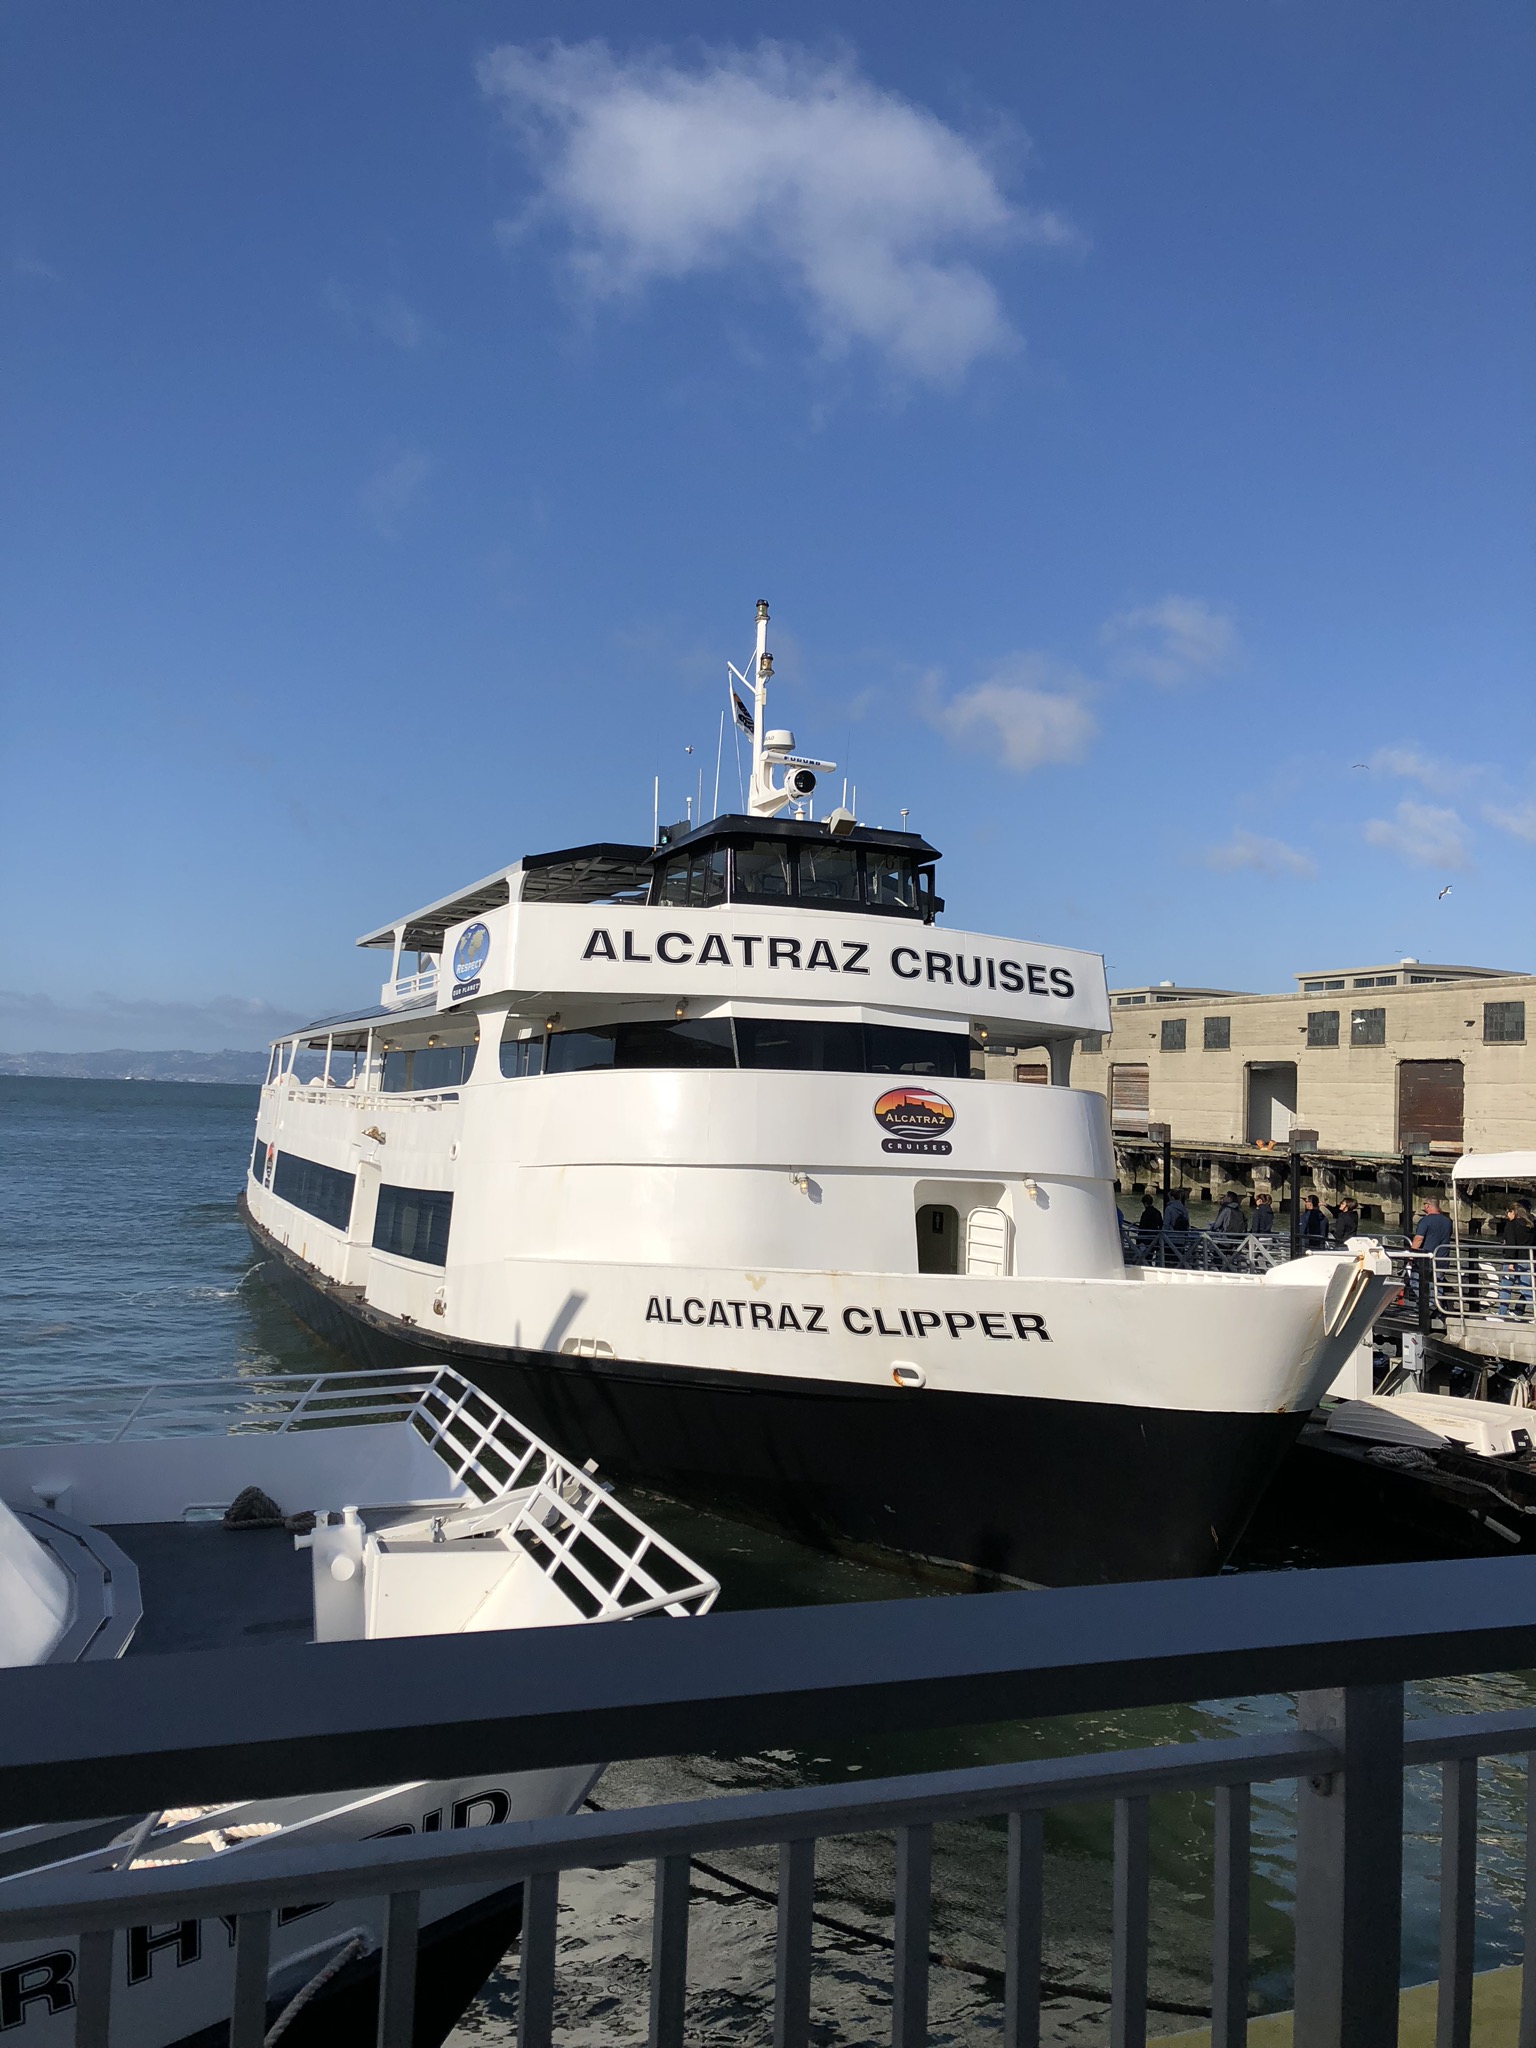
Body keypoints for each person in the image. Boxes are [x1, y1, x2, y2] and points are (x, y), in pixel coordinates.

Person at [1409, 1197, 1452, 1314]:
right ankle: (1438, 1308)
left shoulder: (1425, 1221)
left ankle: (1429, 1306)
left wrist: (1411, 1254)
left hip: (1426, 1259)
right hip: (1442, 1257)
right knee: (1437, 1284)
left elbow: (1418, 1239)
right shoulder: (1447, 1221)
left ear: (1427, 1206)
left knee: (1415, 1281)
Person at [1496, 1202, 1535, 1320]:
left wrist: (1510, 1262)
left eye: (1508, 1212)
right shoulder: (1530, 1225)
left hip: (1514, 1261)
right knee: (1526, 1289)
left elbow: (1512, 1244)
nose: (1507, 1215)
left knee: (1506, 1287)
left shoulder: (1512, 1225)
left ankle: (1501, 1314)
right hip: (1528, 1260)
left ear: (1513, 1212)